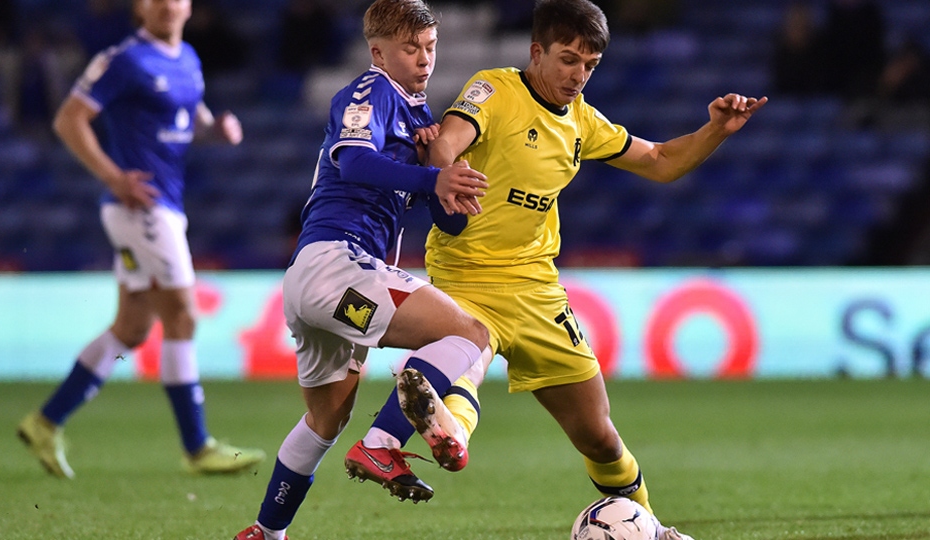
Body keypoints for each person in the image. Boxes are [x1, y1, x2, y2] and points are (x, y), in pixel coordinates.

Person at [379, 1, 767, 539]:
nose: (577, 75)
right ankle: (450, 433)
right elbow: (447, 139)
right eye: (567, 60)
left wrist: (715, 130)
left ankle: (649, 528)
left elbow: (659, 161)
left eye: (589, 64)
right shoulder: (494, 89)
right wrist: (444, 174)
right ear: (536, 52)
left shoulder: (581, 119)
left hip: (537, 290)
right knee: (465, 362)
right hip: (467, 279)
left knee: (600, 436)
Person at [232, 1, 490, 538]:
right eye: (409, 48)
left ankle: (267, 532)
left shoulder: (420, 121)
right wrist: (428, 178)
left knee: (326, 420)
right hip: (338, 264)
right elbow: (351, 161)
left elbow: (451, 222)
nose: (424, 59)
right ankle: (382, 444)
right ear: (378, 52)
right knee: (470, 334)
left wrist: (446, 177)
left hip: (319, 279)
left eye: (430, 47)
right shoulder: (367, 93)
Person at [16, 0, 266, 479]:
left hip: (164, 207)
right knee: (182, 313)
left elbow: (189, 121)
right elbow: (69, 119)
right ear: (139, 7)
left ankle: (46, 422)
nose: (166, 5)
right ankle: (197, 447)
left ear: (189, 6)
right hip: (142, 207)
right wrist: (113, 177)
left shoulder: (188, 58)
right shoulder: (124, 59)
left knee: (132, 327)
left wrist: (217, 131)